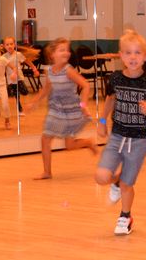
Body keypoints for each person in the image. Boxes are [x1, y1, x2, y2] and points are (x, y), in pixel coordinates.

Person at [93, 31, 146, 235]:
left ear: (145, 56)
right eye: (128, 53)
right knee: (101, 176)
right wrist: (102, 121)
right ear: (121, 56)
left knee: (127, 183)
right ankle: (115, 181)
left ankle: (125, 217)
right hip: (117, 136)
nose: (133, 57)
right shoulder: (115, 78)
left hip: (140, 140)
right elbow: (110, 100)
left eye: (137, 53)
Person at [28, 38, 96, 179]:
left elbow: (85, 85)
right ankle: (47, 172)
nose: (66, 53)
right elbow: (46, 89)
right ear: (52, 54)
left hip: (70, 111)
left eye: (67, 50)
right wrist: (34, 102)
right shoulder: (49, 71)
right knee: (45, 139)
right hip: (55, 110)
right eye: (62, 50)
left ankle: (88, 142)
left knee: (69, 146)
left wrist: (83, 105)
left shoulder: (68, 70)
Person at [1, 36, 31, 116]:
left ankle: (16, 92)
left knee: (25, 92)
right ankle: (20, 110)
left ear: (15, 44)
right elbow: (1, 67)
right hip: (10, 79)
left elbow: (27, 61)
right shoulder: (3, 57)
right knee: (16, 96)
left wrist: (34, 68)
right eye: (7, 44)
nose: (9, 46)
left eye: (11, 44)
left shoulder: (18, 54)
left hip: (19, 77)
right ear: (4, 46)